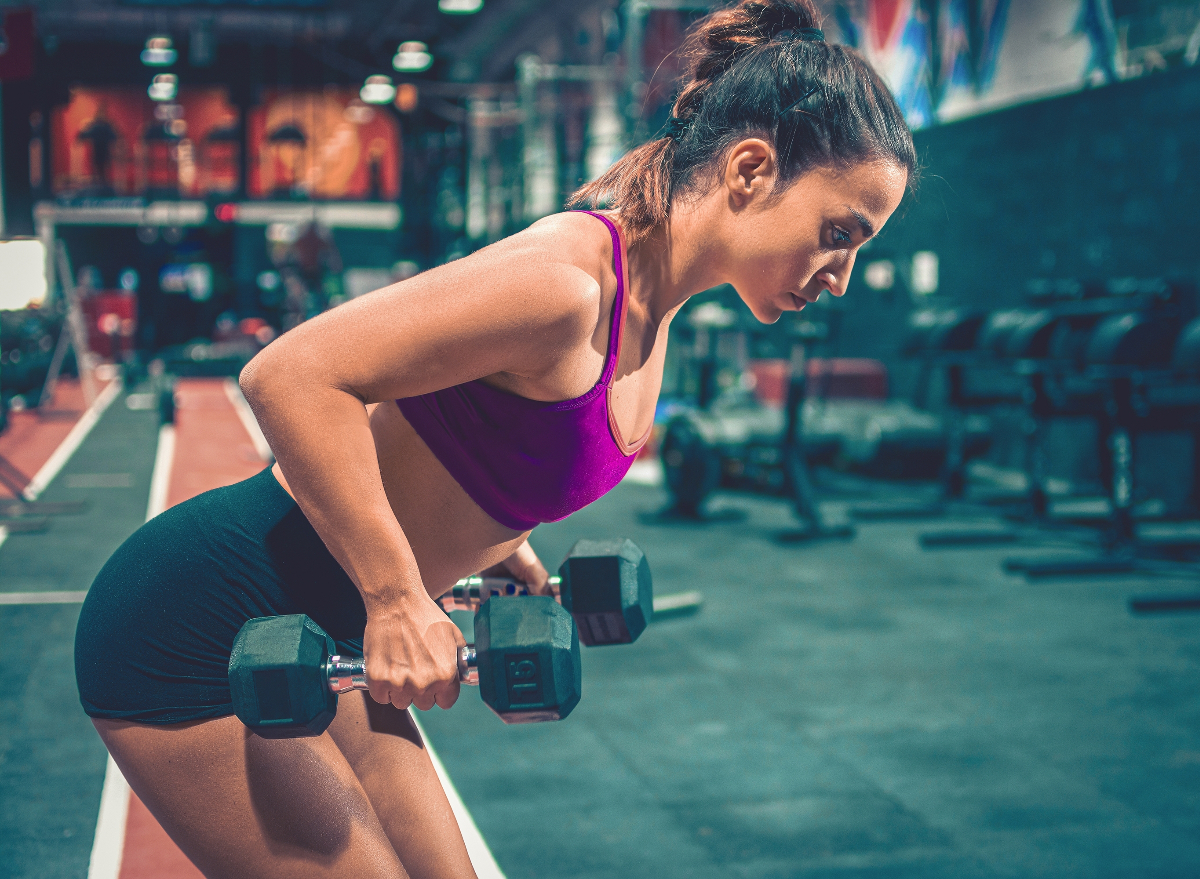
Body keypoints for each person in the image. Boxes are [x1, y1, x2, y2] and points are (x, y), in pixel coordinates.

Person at [74, 1, 916, 876]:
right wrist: (399, 597)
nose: (842, 278)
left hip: (317, 622)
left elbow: (472, 432)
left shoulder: (652, 314)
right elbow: (289, 375)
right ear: (750, 169)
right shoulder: (568, 284)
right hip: (197, 619)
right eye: (838, 233)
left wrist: (500, 537)